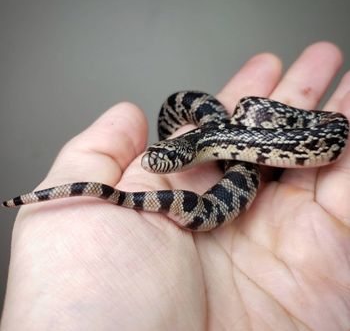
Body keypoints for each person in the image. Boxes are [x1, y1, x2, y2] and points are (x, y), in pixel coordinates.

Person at [1, 42, 349, 330]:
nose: (153, 163)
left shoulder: (212, 141)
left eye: (166, 158)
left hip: (272, 136)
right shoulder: (207, 140)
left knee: (249, 109)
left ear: (190, 153)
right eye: (156, 154)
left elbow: (229, 137)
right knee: (246, 112)